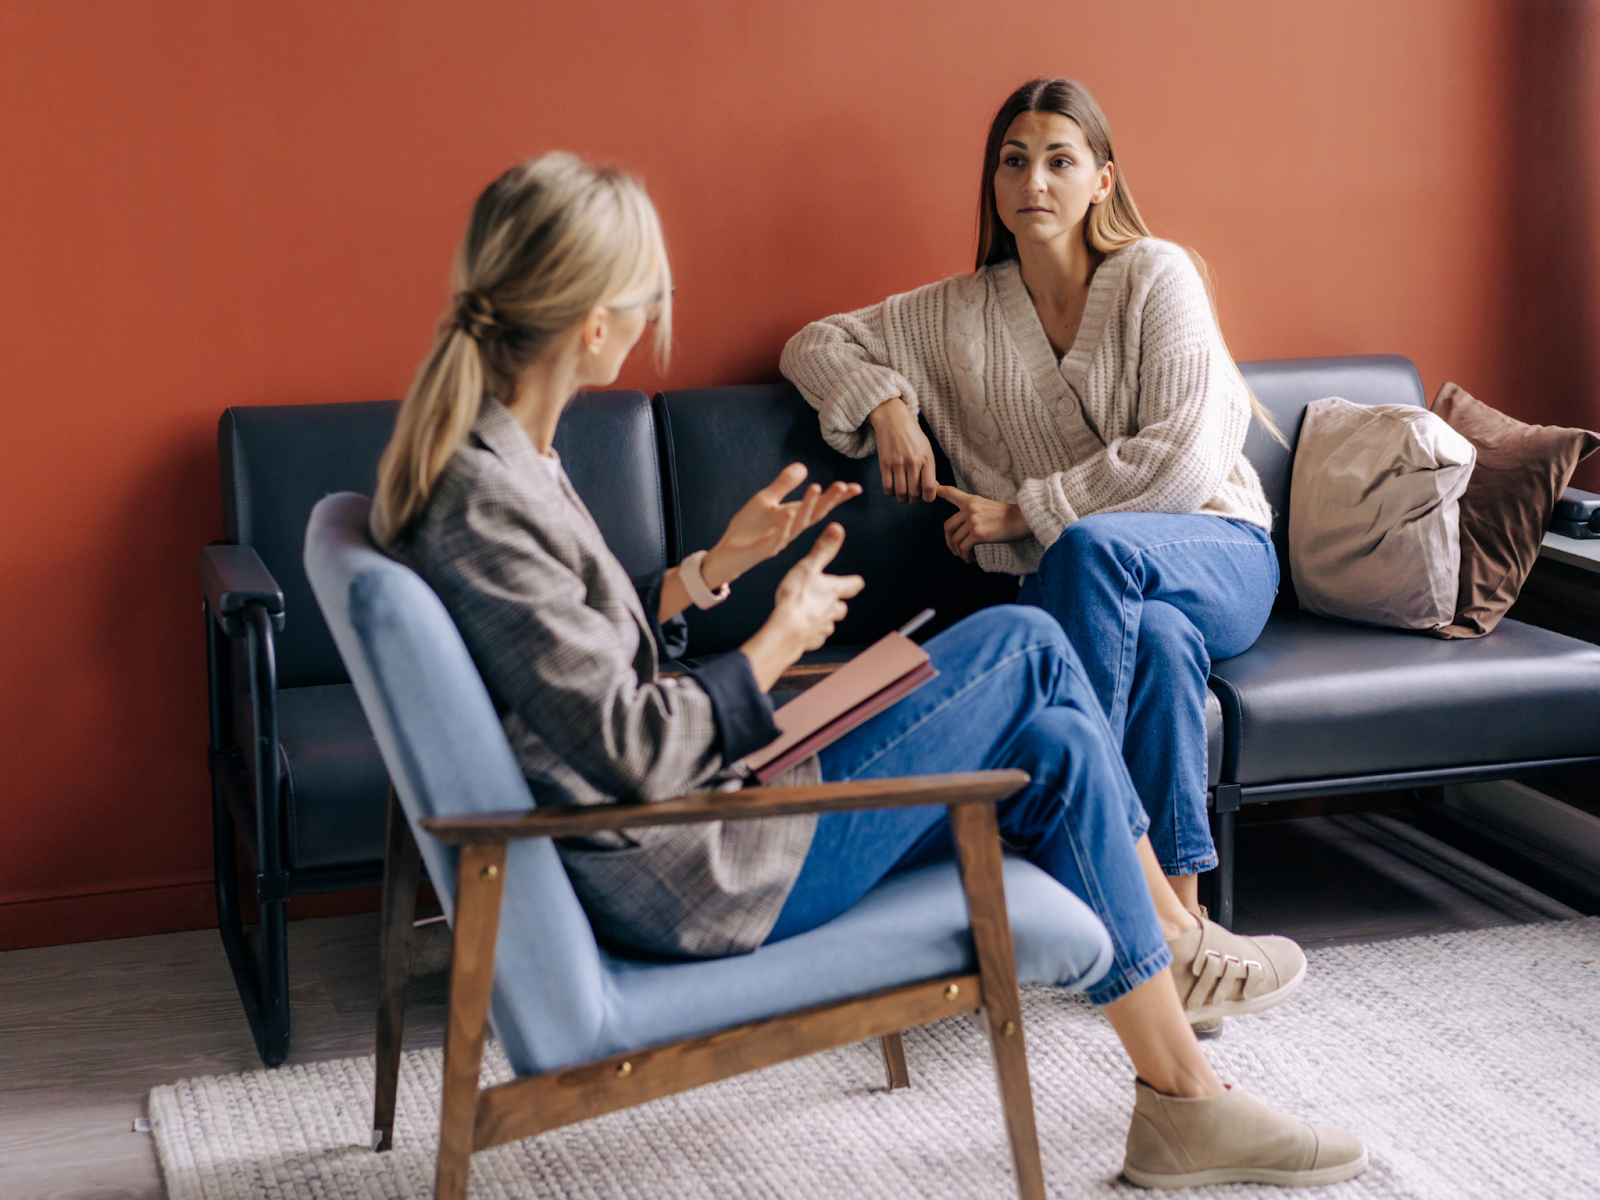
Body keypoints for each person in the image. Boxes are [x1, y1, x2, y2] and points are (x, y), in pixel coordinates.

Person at [371, 152, 1366, 1189]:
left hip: (708, 812)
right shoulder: (484, 496)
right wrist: (775, 643)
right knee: (1025, 649)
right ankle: (1173, 944)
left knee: (1057, 731)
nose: (654, 314)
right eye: (650, 296)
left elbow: (567, 654)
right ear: (590, 325)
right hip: (694, 865)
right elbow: (626, 748)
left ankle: (1182, 1095)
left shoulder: (501, 461)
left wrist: (714, 570)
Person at [781, 76, 1285, 991]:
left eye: (1060, 160)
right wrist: (888, 405)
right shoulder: (959, 312)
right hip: (1109, 592)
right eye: (1014, 161)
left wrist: (1022, 513)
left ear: (1101, 180)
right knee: (1160, 645)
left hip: (1218, 550)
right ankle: (1179, 925)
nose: (1034, 181)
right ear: (994, 181)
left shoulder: (1157, 274)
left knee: (1091, 551)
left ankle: (1095, 869)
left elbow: (1182, 459)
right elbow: (815, 343)